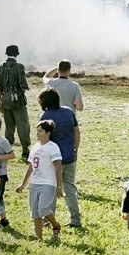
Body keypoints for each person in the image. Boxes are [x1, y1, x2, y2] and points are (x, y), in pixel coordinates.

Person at [37, 88, 82, 228]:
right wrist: (75, 149)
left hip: (54, 159)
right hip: (70, 156)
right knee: (70, 188)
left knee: (51, 188)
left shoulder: (45, 116)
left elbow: (42, 139)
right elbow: (76, 131)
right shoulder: (68, 111)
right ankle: (75, 219)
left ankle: (48, 219)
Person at [15, 120, 64, 241]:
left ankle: (55, 225)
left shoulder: (53, 147)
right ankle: (39, 239)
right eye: (37, 131)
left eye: (40, 131)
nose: (37, 133)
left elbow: (58, 168)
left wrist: (59, 187)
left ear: (48, 133)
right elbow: (31, 167)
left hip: (48, 183)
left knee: (44, 208)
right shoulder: (35, 147)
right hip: (35, 183)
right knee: (35, 213)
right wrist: (23, 184)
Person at [0, 44, 31, 158]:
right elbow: (23, 85)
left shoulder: (0, 68)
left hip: (5, 101)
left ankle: (7, 149)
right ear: (17, 54)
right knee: (23, 125)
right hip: (18, 102)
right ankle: (25, 150)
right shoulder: (19, 67)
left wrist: (0, 103)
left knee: (9, 126)